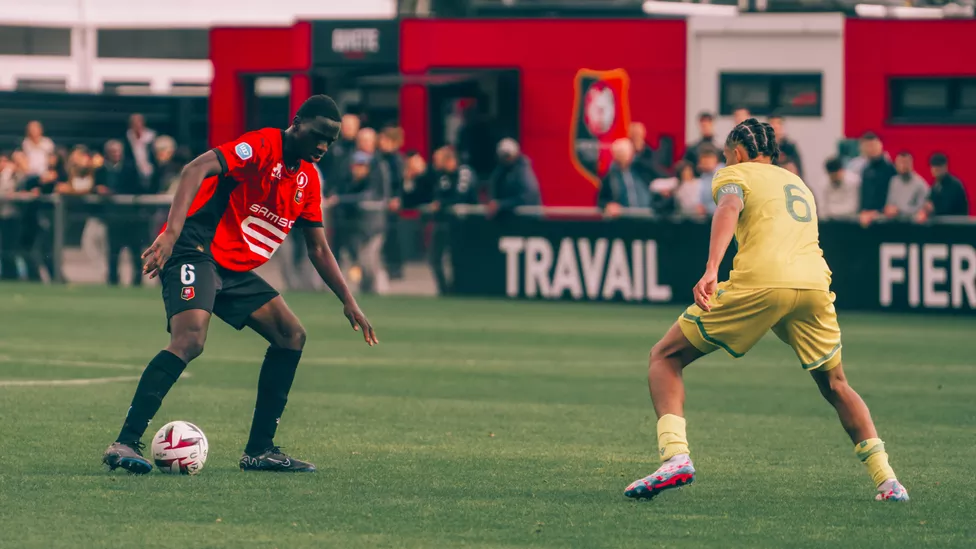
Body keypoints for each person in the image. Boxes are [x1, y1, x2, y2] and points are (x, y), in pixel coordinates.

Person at [623, 118, 908, 503]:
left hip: (762, 281)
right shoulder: (798, 182)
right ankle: (888, 481)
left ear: (737, 152)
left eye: (727, 155)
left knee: (665, 356)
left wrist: (711, 268)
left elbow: (728, 206)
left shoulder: (734, 173)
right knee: (837, 384)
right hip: (813, 285)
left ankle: (675, 457)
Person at [101, 95, 377, 475]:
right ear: (297, 123)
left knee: (290, 334)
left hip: (230, 268)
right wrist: (170, 234)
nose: (322, 146)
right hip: (194, 248)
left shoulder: (307, 179)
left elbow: (317, 247)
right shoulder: (263, 145)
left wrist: (349, 301)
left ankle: (260, 451)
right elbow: (194, 169)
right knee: (190, 340)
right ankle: (125, 442)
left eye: (330, 141)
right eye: (318, 135)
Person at [428, 146, 478, 294]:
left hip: (464, 224)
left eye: (438, 160)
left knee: (459, 259)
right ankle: (445, 290)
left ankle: (460, 289)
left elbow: (460, 196)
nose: (435, 163)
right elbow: (439, 195)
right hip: (444, 223)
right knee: (435, 258)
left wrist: (442, 204)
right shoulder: (443, 176)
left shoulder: (465, 173)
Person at [917, 153, 969, 221]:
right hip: (940, 225)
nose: (935, 169)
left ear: (945, 167)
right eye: (933, 166)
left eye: (938, 166)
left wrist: (933, 208)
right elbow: (930, 200)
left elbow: (948, 208)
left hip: (954, 225)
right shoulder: (935, 184)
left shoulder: (954, 185)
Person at [884, 152, 928, 220]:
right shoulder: (894, 181)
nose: (903, 166)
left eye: (906, 162)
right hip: (894, 224)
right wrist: (889, 209)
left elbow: (922, 211)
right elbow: (889, 204)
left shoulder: (920, 184)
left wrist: (899, 211)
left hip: (912, 226)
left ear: (911, 164)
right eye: (900, 163)